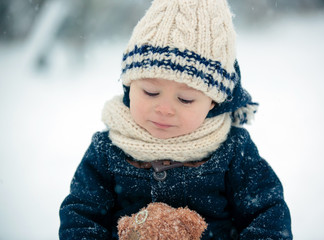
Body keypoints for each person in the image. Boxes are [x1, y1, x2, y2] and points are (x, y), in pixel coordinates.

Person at [59, 0, 292, 239]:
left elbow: (267, 214)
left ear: (213, 102)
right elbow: (81, 216)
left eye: (185, 99)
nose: (164, 109)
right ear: (129, 86)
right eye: (150, 92)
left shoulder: (232, 150)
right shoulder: (107, 150)